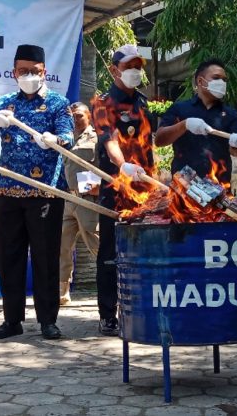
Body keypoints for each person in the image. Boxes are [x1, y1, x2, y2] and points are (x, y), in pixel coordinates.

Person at [0, 44, 73, 341]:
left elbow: (69, 137)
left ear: (44, 72)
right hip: (8, 192)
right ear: (14, 72)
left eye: (35, 71)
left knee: (45, 258)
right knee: (9, 258)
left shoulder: (58, 103)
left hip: (45, 193)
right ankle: (12, 320)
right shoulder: (6, 102)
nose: (29, 75)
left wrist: (54, 139)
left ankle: (48, 321)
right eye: (23, 71)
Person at [92, 44, 154, 336]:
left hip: (146, 189)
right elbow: (110, 140)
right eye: (129, 67)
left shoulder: (143, 102)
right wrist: (123, 165)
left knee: (142, 249)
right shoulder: (103, 103)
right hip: (115, 188)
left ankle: (139, 308)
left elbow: (151, 143)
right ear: (114, 69)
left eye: (138, 66)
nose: (135, 72)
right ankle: (108, 314)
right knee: (110, 252)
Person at [154, 59, 237, 184]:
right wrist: (184, 125)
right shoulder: (179, 108)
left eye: (224, 80)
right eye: (216, 77)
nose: (222, 83)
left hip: (218, 188)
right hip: (183, 187)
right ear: (200, 81)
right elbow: (159, 140)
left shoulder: (231, 114)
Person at [58, 102, 101, 305]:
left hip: (88, 199)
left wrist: (97, 188)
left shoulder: (97, 138)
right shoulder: (64, 137)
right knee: (62, 246)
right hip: (67, 198)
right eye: (72, 116)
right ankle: (62, 291)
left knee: (96, 243)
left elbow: (105, 167)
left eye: (79, 116)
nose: (75, 119)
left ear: (89, 117)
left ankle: (114, 282)